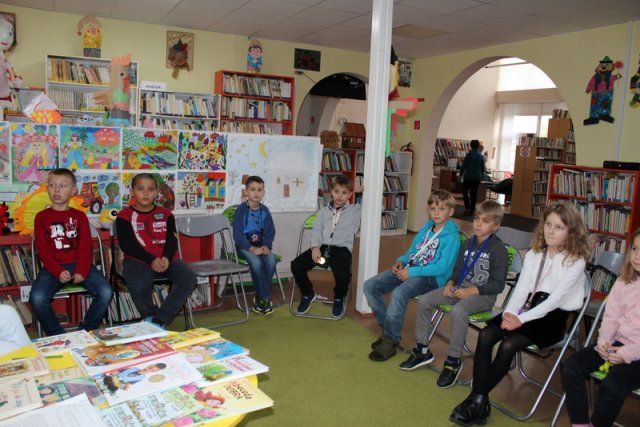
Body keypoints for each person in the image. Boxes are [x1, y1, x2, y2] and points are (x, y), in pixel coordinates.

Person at [449, 202, 591, 426]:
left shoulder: (576, 261)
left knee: (508, 345)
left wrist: (520, 319)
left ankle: (476, 398)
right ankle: (479, 402)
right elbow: (522, 288)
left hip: (551, 317)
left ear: (571, 231)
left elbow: (555, 300)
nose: (550, 231)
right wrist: (509, 313)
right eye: (548, 224)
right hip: (525, 307)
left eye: (558, 227)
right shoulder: (535, 253)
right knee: (486, 334)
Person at [400, 200, 508, 389]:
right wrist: (451, 282)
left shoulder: (498, 250)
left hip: (483, 295)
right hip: (460, 287)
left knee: (459, 311)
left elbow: (498, 284)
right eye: (476, 218)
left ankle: (453, 361)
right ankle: (422, 350)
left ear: (496, 226)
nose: (478, 224)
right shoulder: (468, 243)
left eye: (485, 221)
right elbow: (457, 269)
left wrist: (472, 291)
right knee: (425, 301)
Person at [364, 189, 460, 362]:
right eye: (433, 208)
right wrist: (401, 261)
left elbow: (442, 267)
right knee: (370, 286)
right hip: (411, 269)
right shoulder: (427, 228)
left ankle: (391, 339)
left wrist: (411, 272)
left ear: (451, 211)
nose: (436, 213)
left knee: (399, 293)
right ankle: (388, 330)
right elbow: (413, 252)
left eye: (442, 209)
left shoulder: (452, 237)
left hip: (431, 278)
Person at [561, 227, 640, 427]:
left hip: (637, 353)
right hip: (616, 344)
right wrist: (604, 341)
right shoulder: (623, 281)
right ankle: (580, 424)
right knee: (571, 366)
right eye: (635, 249)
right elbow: (611, 317)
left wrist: (626, 354)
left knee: (612, 385)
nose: (637, 256)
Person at [29, 168, 113, 336]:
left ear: (73, 190)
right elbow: (43, 250)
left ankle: (85, 331)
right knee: (37, 297)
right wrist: (57, 271)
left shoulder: (80, 216)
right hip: (53, 267)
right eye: (52, 185)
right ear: (47, 188)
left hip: (80, 264)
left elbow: (86, 247)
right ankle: (57, 335)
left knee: (106, 292)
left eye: (63, 186)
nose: (57, 190)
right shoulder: (41, 217)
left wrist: (81, 270)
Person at [116, 173, 196, 328]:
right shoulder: (124, 216)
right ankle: (150, 315)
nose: (146, 193)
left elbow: (172, 240)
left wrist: (166, 257)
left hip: (167, 259)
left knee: (188, 278)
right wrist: (151, 260)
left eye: (150, 189)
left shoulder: (166, 214)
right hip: (138, 260)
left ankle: (159, 320)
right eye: (140, 189)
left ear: (157, 192)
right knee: (139, 283)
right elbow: (128, 245)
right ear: (132, 191)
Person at [291, 174, 361, 319]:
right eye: (337, 191)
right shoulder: (323, 211)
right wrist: (315, 247)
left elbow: (379, 208)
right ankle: (308, 293)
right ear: (331, 192)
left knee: (343, 275)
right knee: (296, 265)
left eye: (344, 192)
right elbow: (316, 231)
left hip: (341, 249)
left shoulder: (355, 210)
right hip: (322, 248)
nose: (340, 196)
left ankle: (339, 298)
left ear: (350, 194)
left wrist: (364, 192)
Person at [232, 176, 277, 315]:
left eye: (259, 190)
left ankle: (259, 296)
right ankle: (264, 297)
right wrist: (252, 248)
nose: (256, 193)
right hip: (244, 247)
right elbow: (238, 236)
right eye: (252, 189)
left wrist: (267, 246)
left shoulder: (265, 211)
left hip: (261, 246)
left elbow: (270, 232)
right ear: (246, 192)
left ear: (263, 193)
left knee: (271, 261)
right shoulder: (240, 210)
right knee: (256, 263)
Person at [461, 139, 486, 216]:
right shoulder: (480, 156)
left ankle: (467, 207)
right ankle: (472, 210)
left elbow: (464, 166)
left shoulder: (469, 155)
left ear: (471, 146)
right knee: (474, 193)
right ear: (478, 146)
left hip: (468, 177)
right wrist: (481, 176)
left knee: (465, 192)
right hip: (477, 177)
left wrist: (460, 174)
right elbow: (483, 168)